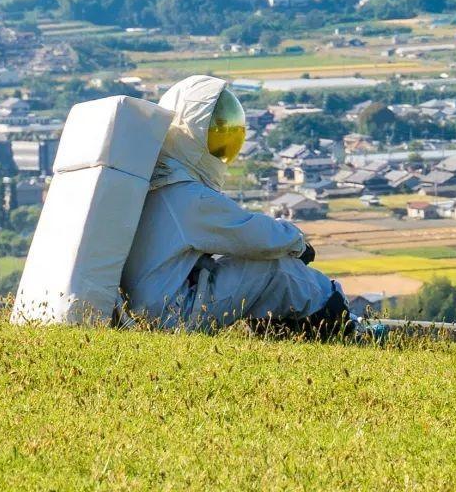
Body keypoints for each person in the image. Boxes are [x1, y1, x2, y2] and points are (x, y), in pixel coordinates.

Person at [121, 74, 353, 337]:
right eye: (215, 133)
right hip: (174, 315)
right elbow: (251, 234)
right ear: (192, 136)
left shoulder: (155, 186)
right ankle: (347, 328)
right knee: (275, 268)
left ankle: (290, 332)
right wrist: (296, 242)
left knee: (253, 265)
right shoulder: (186, 196)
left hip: (153, 311)